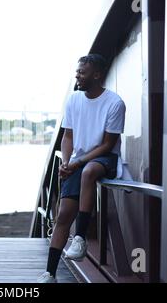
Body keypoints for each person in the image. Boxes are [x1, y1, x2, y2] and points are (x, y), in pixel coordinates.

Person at [38, 54, 125, 283]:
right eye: (77, 72)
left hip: (104, 158)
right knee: (64, 213)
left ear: (97, 75)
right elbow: (67, 136)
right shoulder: (74, 100)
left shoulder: (114, 103)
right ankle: (50, 273)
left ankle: (80, 238)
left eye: (82, 72)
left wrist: (78, 162)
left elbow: (108, 144)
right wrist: (67, 162)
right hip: (77, 160)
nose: (77, 76)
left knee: (88, 172)